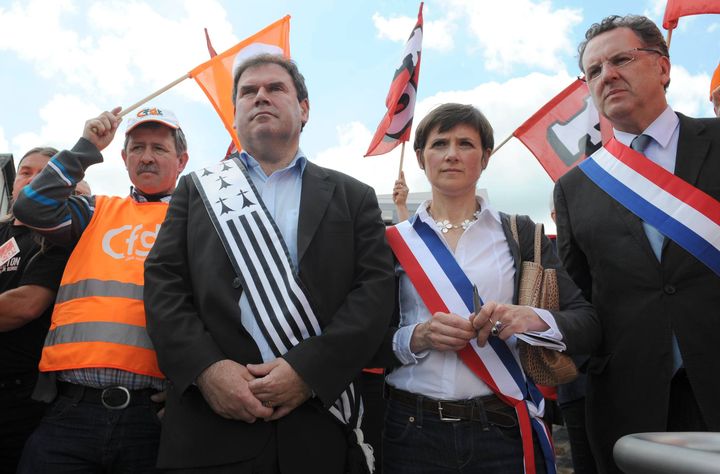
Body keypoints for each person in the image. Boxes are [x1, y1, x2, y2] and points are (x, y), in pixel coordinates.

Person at [143, 54, 395, 473]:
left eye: (276, 88)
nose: (261, 96)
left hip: (321, 430)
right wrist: (207, 370)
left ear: (304, 109)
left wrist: (307, 372)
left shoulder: (354, 196)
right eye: (248, 92)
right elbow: (163, 285)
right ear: (235, 114)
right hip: (211, 429)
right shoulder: (196, 190)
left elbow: (373, 294)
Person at [377, 103, 596, 474]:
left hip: (502, 429)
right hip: (410, 430)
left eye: (465, 144)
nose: (451, 155)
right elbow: (365, 341)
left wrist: (532, 319)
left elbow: (586, 322)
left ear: (486, 157)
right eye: (439, 144)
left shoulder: (522, 233)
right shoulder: (391, 242)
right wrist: (418, 336)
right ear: (419, 157)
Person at [554, 14, 720, 473]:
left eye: (621, 59)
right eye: (593, 71)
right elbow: (582, 301)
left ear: (663, 67)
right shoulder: (576, 188)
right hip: (631, 407)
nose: (607, 75)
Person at [13, 106, 189, 473]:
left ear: (181, 160)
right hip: (70, 414)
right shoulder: (94, 211)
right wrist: (86, 146)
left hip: (154, 418)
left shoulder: (196, 220)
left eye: (159, 148)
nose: (147, 157)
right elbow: (31, 207)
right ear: (123, 159)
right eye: (137, 148)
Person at [0, 147, 70, 474]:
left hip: (16, 397)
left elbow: (26, 306)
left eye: (44, 175)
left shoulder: (55, 239)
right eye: (26, 172)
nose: (31, 180)